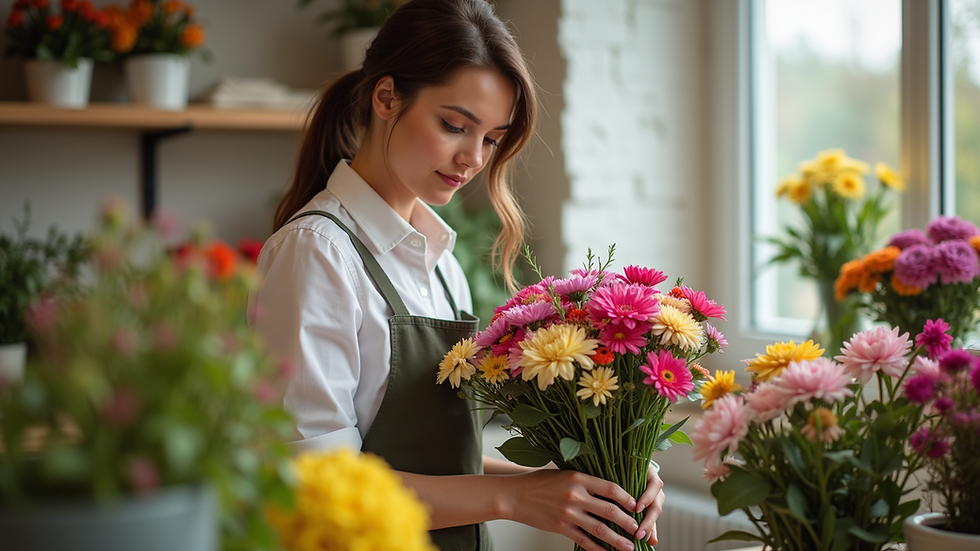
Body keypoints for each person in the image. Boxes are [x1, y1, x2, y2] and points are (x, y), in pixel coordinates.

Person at [248, 1, 665, 550]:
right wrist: (513, 500)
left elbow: (441, 460)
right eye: (454, 126)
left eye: (491, 138)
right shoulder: (316, 253)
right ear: (386, 97)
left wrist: (582, 490)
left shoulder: (442, 261)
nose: (473, 158)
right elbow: (318, 485)